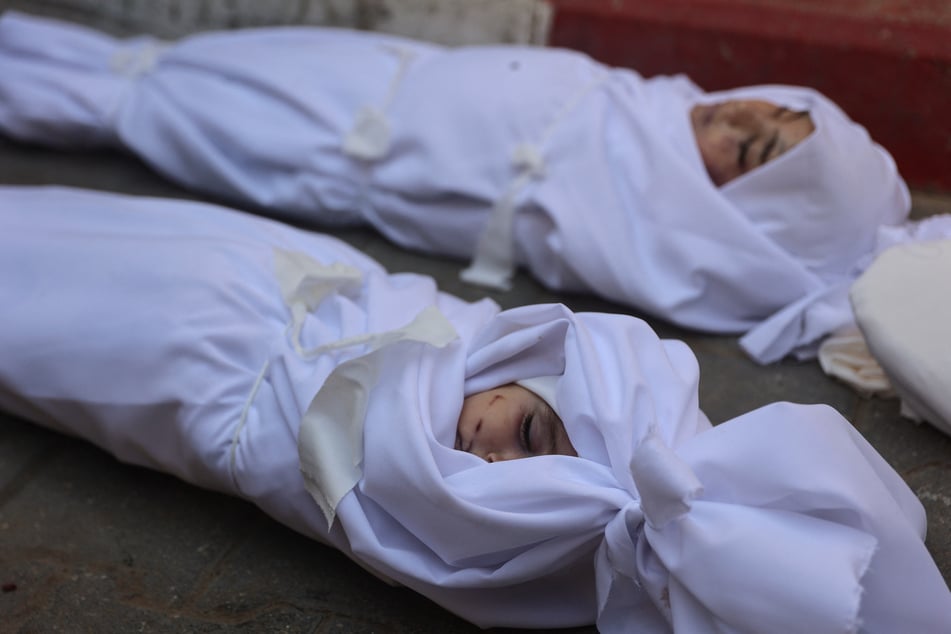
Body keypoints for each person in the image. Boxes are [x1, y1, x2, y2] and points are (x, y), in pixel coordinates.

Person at [1, 185, 949, 633]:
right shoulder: (550, 361)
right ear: (540, 375)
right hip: (272, 276)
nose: (482, 457)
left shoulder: (542, 547)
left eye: (511, 486)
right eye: (528, 433)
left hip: (199, 383)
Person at [3, 10, 943, 368]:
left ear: (743, 219)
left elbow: (663, 262)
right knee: (175, 62)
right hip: (377, 68)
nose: (734, 123)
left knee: (151, 107)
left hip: (346, 146)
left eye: (749, 159)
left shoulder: (659, 231)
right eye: (767, 113)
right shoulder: (657, 104)